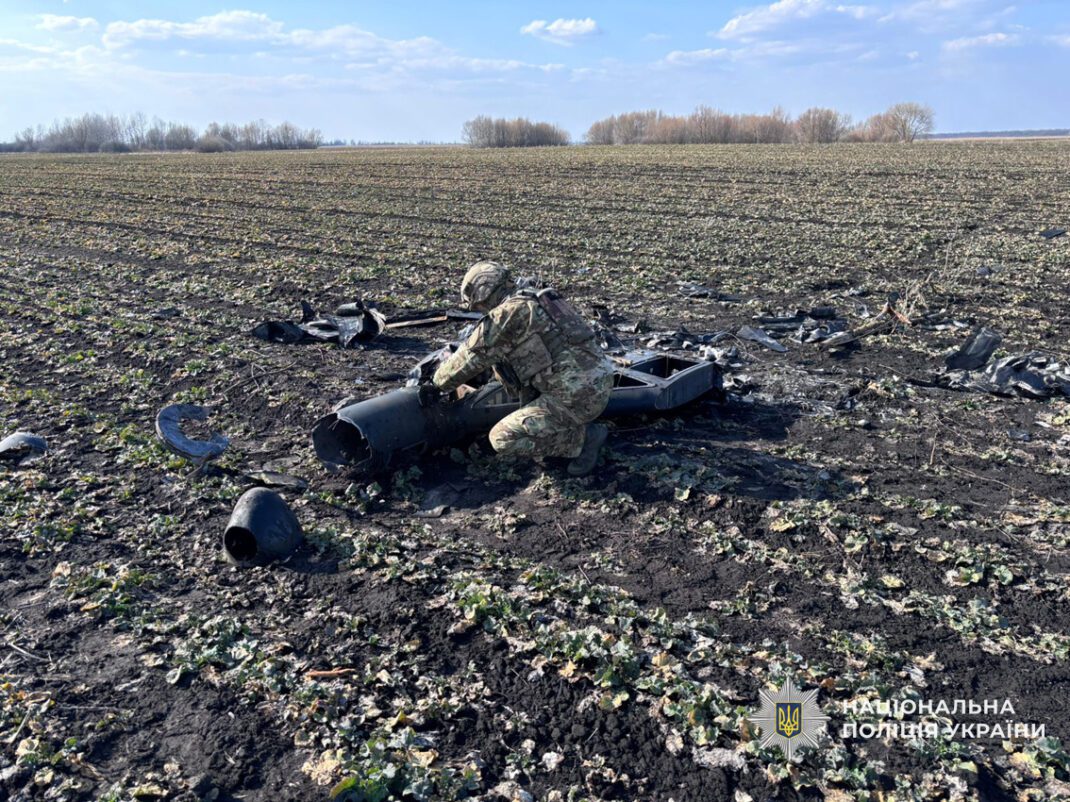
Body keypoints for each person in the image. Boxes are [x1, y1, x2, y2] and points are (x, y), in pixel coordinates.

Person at [431, 261, 613, 476]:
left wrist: (435, 384)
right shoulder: (538, 297)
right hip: (599, 380)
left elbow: (468, 359)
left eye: (478, 306)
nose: (481, 311)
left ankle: (584, 440)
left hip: (577, 398)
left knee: (502, 438)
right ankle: (568, 423)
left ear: (484, 294)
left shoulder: (506, 314)